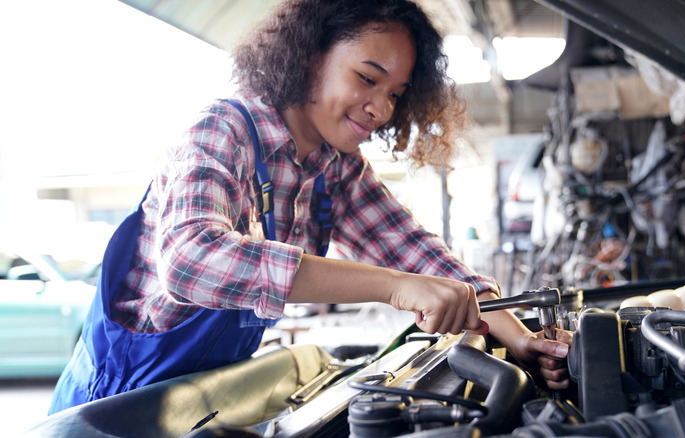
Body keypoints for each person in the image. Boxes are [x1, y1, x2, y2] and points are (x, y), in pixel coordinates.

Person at [48, 0, 570, 415]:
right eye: (368, 78)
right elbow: (190, 260)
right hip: (114, 403)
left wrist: (520, 341)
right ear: (308, 54)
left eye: (395, 93)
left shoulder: (334, 167)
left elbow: (417, 255)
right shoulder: (224, 131)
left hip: (201, 396)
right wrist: (391, 286)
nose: (381, 108)